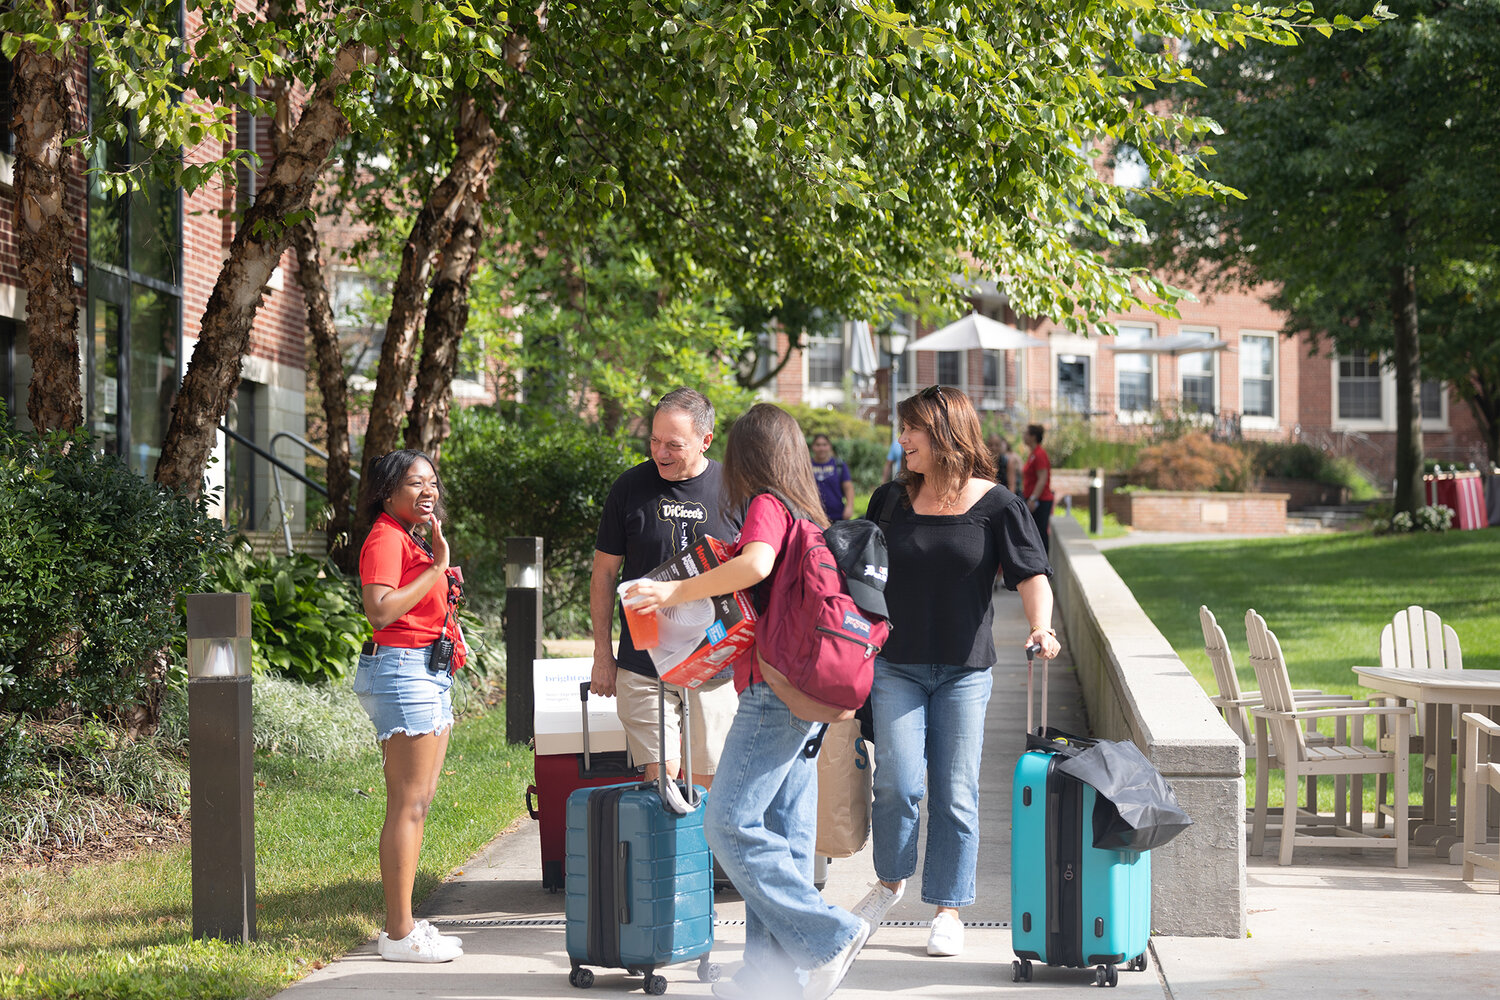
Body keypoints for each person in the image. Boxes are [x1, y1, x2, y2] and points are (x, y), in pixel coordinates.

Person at [627, 403, 871, 1000]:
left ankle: (832, 935)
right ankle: (770, 976)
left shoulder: (766, 504)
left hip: (774, 692)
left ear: (745, 455)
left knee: (728, 824)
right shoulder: (805, 509)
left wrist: (671, 592)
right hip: (804, 689)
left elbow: (754, 565)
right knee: (781, 835)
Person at [853, 386, 1061, 959]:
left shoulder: (999, 505)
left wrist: (1040, 627)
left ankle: (947, 908)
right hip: (895, 665)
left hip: (965, 672)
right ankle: (889, 884)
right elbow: (861, 576)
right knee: (898, 781)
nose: (902, 441)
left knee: (955, 791)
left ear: (945, 432)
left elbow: (1031, 574)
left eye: (910, 430)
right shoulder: (889, 501)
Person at [590, 388, 741, 790]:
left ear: (705, 440)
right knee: (664, 780)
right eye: (654, 441)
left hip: (711, 663)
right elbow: (604, 574)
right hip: (643, 664)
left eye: (674, 444)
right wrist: (603, 655)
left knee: (707, 784)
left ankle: (702, 856)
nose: (660, 453)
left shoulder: (734, 491)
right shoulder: (628, 488)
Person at [355, 450, 469, 963]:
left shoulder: (408, 538)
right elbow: (380, 610)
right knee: (408, 804)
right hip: (403, 671)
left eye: (432, 482)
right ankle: (398, 935)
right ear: (386, 491)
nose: (428, 491)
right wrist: (439, 568)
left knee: (418, 803)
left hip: (425, 671)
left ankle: (403, 926)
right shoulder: (384, 537)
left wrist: (436, 564)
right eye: (414, 483)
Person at [809, 433, 855, 522]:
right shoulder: (806, 465)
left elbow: (848, 487)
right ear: (813, 447)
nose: (821, 448)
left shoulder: (839, 465)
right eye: (818, 445)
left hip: (837, 516)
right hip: (813, 516)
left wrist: (849, 506)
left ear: (829, 446)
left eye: (824, 445)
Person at [1022, 422, 1054, 543]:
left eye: (1025, 434)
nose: (1023, 436)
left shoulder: (1040, 454)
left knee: (1040, 534)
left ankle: (1043, 561)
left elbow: (1042, 478)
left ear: (1033, 436)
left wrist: (1033, 498)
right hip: (1033, 499)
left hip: (1041, 500)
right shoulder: (1033, 454)